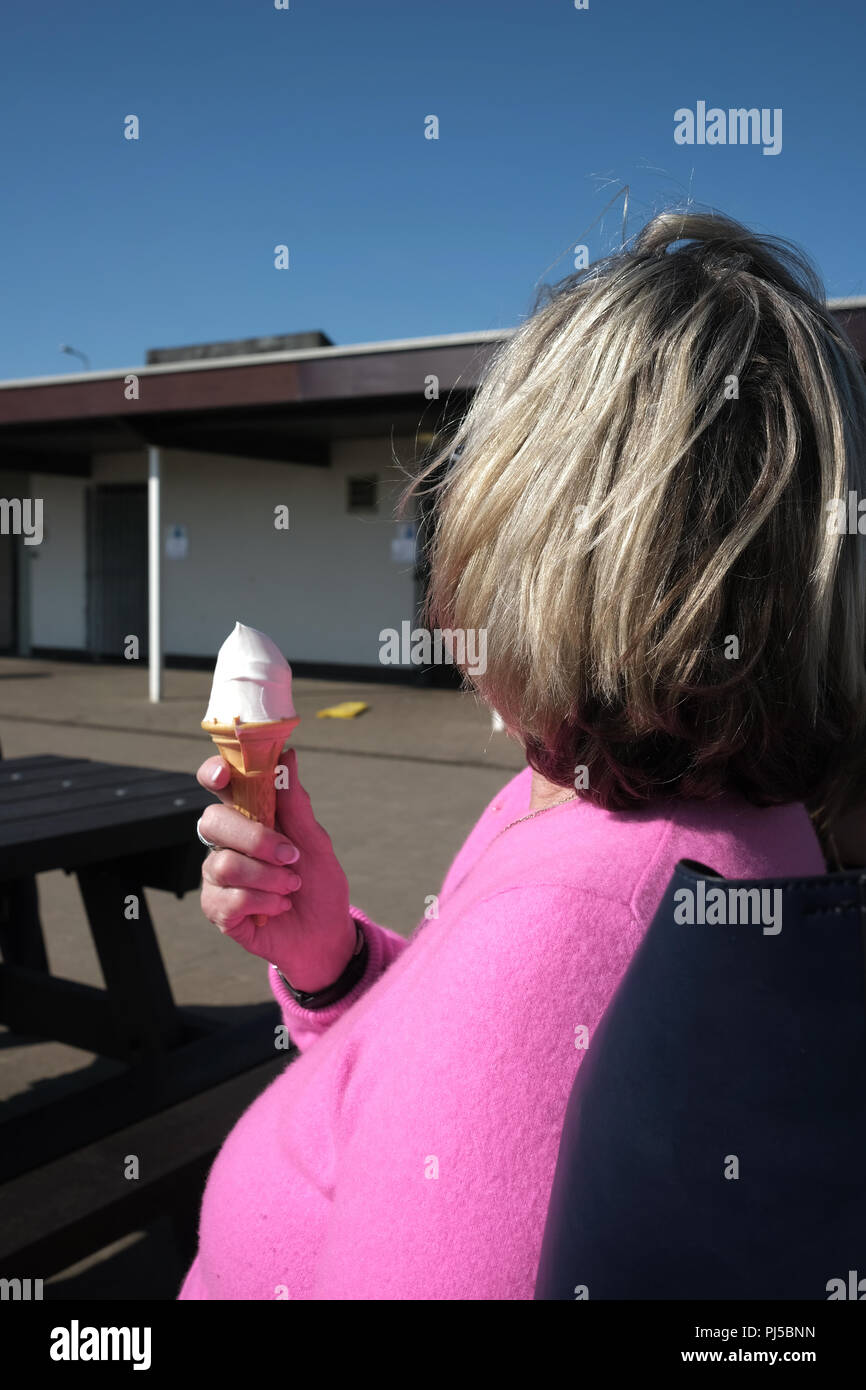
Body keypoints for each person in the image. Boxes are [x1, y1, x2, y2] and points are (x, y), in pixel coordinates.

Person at [178, 209, 866, 1300]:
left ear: (533, 536)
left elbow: (517, 1026)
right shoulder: (615, 805)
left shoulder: (576, 920)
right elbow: (458, 1072)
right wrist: (334, 961)